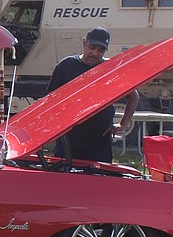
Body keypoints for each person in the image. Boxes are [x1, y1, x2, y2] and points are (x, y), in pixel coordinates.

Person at [47, 27, 139, 163]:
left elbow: (134, 96)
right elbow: (49, 101)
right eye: (92, 47)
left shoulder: (111, 69)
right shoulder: (66, 66)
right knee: (64, 181)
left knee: (99, 182)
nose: (95, 53)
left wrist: (123, 125)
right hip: (69, 140)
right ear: (85, 43)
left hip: (100, 142)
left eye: (101, 50)